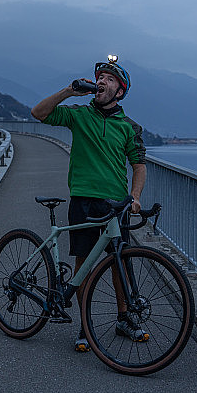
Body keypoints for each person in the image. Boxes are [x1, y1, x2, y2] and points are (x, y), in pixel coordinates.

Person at [30, 55, 149, 352]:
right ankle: (85, 324)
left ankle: (123, 318)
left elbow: (139, 165)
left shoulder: (129, 127)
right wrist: (69, 91)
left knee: (120, 262)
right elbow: (39, 113)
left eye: (109, 79)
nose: (102, 81)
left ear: (120, 91)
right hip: (83, 198)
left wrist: (135, 197)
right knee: (83, 264)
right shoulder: (79, 115)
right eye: (100, 77)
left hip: (116, 203)